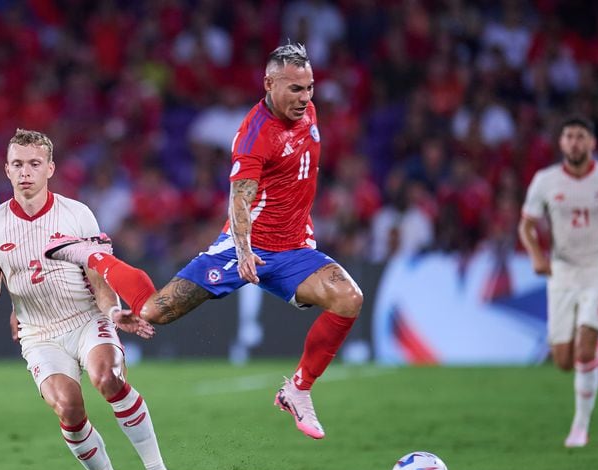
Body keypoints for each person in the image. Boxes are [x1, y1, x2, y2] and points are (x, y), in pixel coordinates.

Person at [45, 43, 364, 440]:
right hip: (244, 249)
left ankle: (297, 390)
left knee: (349, 298)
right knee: (152, 312)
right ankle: (89, 253)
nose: (304, 98)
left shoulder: (308, 113)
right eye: (295, 89)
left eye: (309, 88)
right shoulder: (254, 135)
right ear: (269, 84)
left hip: (295, 248)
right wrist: (245, 252)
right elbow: (240, 199)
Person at [0, 129, 192, 470]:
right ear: (6, 169)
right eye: (17, 164)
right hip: (38, 334)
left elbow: (99, 279)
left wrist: (114, 314)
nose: (25, 172)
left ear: (50, 168)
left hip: (86, 319)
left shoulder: (77, 214)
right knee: (68, 408)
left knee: (109, 378)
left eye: (33, 164)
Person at [518, 116, 598, 448]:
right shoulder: (544, 181)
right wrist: (535, 255)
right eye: (569, 136)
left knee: (584, 347)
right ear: (561, 143)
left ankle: (580, 427)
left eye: (581, 136)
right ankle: (595, 350)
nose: (575, 142)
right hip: (562, 271)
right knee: (562, 360)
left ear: (592, 143)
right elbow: (526, 226)